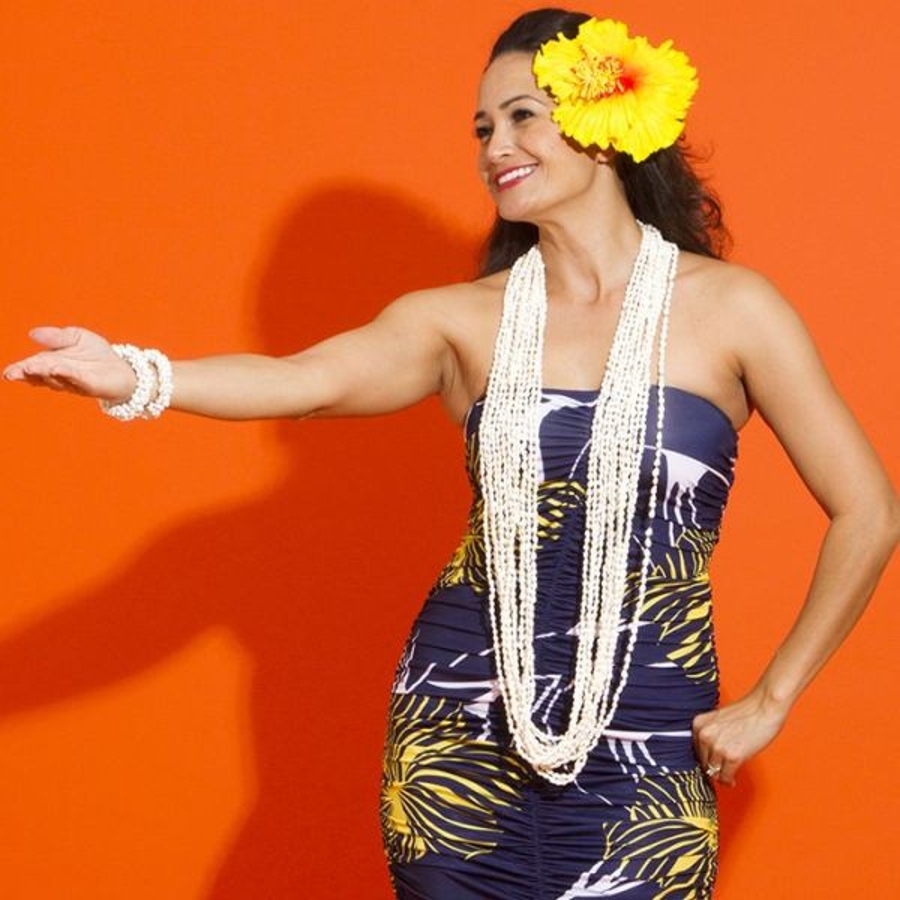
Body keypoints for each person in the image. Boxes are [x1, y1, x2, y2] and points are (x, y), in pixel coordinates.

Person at [4, 8, 897, 899]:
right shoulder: (462, 321)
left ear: (604, 122)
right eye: (481, 128)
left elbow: (869, 512)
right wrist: (137, 373)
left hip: (648, 735)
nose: (493, 147)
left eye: (520, 116)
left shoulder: (733, 309)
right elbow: (303, 380)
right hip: (458, 727)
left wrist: (771, 698)